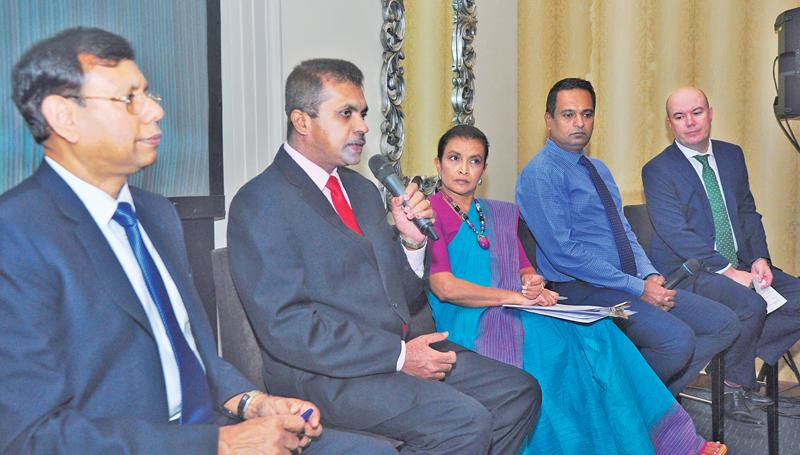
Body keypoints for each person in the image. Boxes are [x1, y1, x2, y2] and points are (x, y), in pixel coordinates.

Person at [0, 27, 396, 454]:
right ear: (64, 116)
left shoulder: (155, 214)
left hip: (207, 426)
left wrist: (252, 403)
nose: (154, 112)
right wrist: (220, 444)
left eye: (149, 95)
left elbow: (193, 351)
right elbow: (31, 438)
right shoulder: (18, 234)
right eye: (129, 99)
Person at [227, 58, 541, 454]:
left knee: (519, 392)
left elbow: (404, 298)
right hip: (327, 375)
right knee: (465, 422)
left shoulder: (360, 190)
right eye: (346, 114)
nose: (362, 126)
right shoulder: (260, 202)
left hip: (394, 348)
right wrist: (397, 357)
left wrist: (411, 244)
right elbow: (286, 327)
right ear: (301, 121)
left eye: (362, 113)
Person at [428, 123, 726, 455]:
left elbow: (523, 265)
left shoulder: (497, 213)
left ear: (484, 169)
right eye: (455, 158)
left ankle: (671, 442)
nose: (464, 169)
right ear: (438, 163)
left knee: (600, 332)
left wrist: (532, 282)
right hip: (467, 318)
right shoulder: (429, 213)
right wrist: (513, 296)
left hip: (514, 307)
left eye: (474, 160)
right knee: (554, 350)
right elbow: (444, 287)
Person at [516, 78, 740, 396]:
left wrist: (648, 274)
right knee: (676, 341)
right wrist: (637, 287)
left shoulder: (597, 168)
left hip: (624, 284)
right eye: (568, 115)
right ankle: (630, 410)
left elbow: (624, 230)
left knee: (724, 323)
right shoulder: (542, 173)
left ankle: (649, 407)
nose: (579, 123)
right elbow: (564, 252)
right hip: (582, 293)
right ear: (549, 120)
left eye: (587, 113)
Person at [642, 86, 800, 424]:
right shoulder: (657, 170)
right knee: (752, 306)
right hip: (691, 270)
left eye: (696, 112)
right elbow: (676, 234)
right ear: (669, 123)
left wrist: (760, 259)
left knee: (798, 297)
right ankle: (734, 384)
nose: (690, 122)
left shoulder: (731, 155)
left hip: (741, 262)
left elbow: (746, 212)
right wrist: (728, 271)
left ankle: (729, 359)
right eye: (680, 117)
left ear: (710, 112)